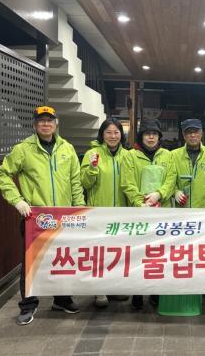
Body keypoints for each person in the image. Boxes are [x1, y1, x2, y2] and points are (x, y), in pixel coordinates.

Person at [0, 106, 84, 325]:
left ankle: (62, 300)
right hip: (36, 218)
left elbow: (75, 181)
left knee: (64, 259)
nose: (46, 124)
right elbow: (2, 174)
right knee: (32, 263)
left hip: (63, 218)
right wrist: (18, 200)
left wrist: (79, 208)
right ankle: (28, 305)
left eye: (49, 120)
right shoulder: (23, 149)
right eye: (41, 121)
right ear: (35, 125)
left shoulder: (67, 148)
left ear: (56, 123)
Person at [122, 119, 176, 310]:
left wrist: (159, 194)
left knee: (159, 255)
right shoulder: (130, 156)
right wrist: (140, 203)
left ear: (159, 137)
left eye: (154, 134)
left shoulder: (168, 156)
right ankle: (137, 294)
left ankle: (156, 293)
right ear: (141, 136)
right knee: (139, 255)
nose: (151, 137)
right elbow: (127, 183)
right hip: (139, 215)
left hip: (162, 215)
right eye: (147, 133)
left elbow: (171, 179)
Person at [170, 118, 205, 305]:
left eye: (196, 131)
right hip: (181, 215)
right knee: (183, 252)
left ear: (202, 133)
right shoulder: (173, 155)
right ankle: (184, 286)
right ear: (183, 135)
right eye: (189, 132)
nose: (193, 135)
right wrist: (174, 191)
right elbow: (169, 179)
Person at [80, 118, 130, 308]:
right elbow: (84, 183)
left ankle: (114, 288)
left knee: (117, 252)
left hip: (122, 213)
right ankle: (99, 290)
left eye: (116, 132)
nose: (112, 136)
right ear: (102, 134)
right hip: (99, 213)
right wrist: (92, 168)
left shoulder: (128, 155)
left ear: (121, 135)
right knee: (99, 252)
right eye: (108, 132)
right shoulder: (92, 154)